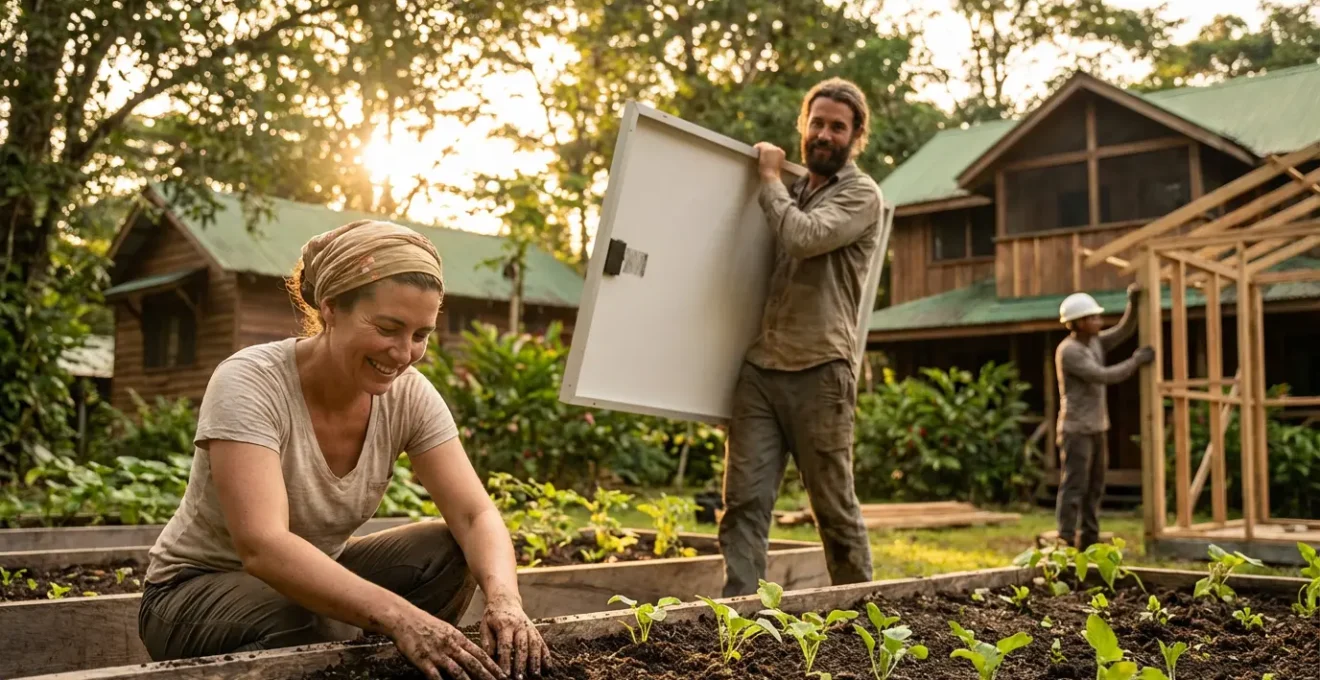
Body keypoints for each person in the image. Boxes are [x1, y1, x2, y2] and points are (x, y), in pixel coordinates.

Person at [138, 219, 550, 680]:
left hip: (313, 584)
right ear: (331, 308)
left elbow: (475, 515)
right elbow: (263, 547)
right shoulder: (250, 382)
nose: (403, 353)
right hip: (193, 592)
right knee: (300, 618)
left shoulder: (409, 394)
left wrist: (505, 601)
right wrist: (400, 617)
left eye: (421, 335)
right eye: (388, 328)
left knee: (450, 548)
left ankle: (392, 665)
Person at [718, 77, 881, 597]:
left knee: (832, 507)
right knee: (743, 501)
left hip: (821, 370)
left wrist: (767, 178)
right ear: (803, 126)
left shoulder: (861, 194)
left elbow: (804, 237)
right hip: (762, 370)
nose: (825, 134)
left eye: (838, 126)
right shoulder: (792, 188)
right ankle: (739, 616)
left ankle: (860, 617)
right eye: (818, 122)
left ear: (856, 136)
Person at [1055, 283, 1155, 550]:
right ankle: (1065, 537)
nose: (1099, 321)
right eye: (1094, 317)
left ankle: (1088, 536)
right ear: (1079, 322)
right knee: (1075, 484)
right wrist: (1136, 362)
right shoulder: (1070, 351)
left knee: (1096, 485)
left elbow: (1125, 330)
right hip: (1076, 429)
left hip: (1098, 426)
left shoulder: (1094, 342)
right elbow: (1104, 376)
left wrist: (1132, 302)